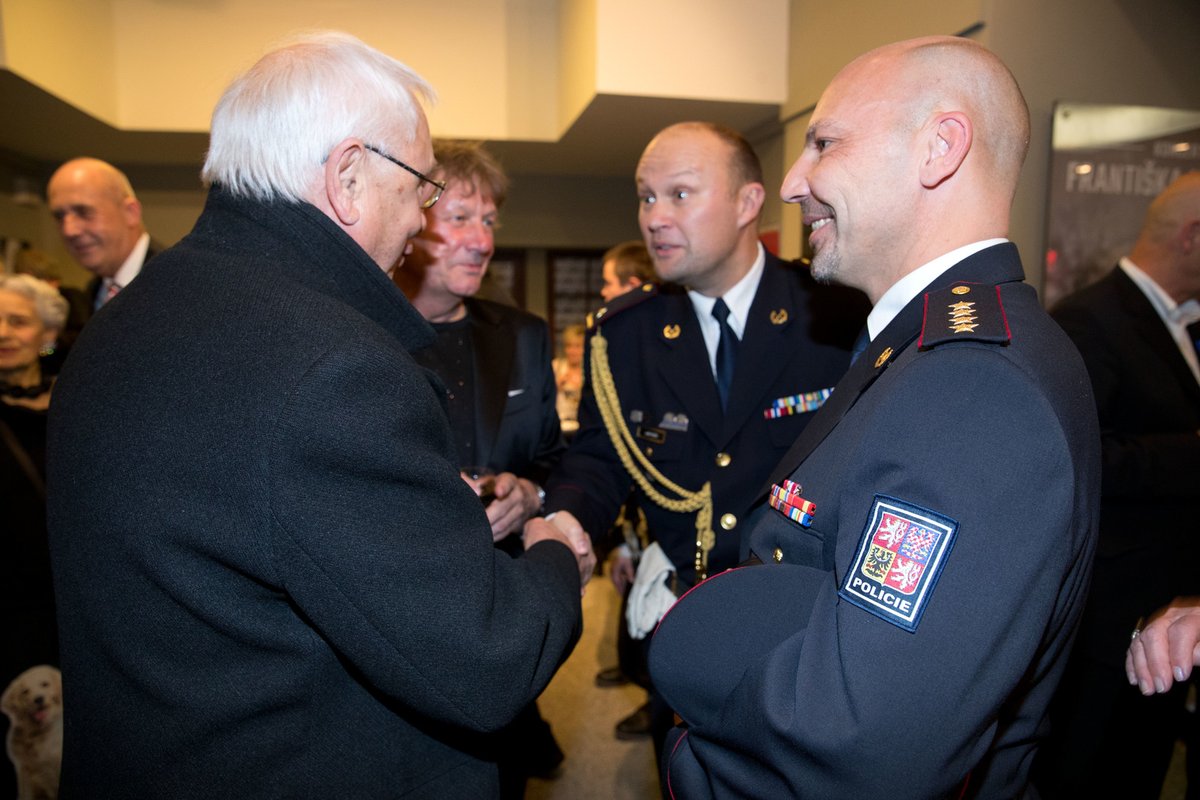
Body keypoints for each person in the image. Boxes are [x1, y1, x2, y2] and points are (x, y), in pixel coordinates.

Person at [45, 31, 593, 799]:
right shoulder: (335, 365)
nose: (422, 225)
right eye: (421, 189)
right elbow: (486, 657)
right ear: (348, 178)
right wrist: (555, 557)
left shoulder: (123, 321)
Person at [646, 36, 1102, 799]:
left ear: (939, 149)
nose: (793, 183)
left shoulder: (974, 389)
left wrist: (688, 756)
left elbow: (861, 748)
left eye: (824, 143)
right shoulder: (919, 348)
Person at [543, 120, 863, 765]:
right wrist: (564, 518)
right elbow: (601, 456)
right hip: (686, 612)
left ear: (748, 203)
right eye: (645, 196)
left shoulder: (832, 311)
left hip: (800, 618)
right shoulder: (624, 333)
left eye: (680, 194)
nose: (655, 217)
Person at [392, 139, 566, 794]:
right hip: (399, 614)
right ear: (411, 216)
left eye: (489, 222)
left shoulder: (522, 334)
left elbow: (554, 453)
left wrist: (528, 490)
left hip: (505, 608)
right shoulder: (360, 338)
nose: (481, 240)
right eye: (460, 217)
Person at [1035, 171, 1200, 799]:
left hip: (1172, 611)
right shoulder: (1089, 320)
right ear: (1192, 236)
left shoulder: (1184, 322)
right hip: (1111, 623)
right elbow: (1079, 459)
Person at [0, 274, 68, 798]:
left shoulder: (74, 393)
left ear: (45, 330)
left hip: (69, 597)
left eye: (17, 322)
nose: (2, 333)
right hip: (7, 603)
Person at [47, 157, 158, 312]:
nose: (69, 230)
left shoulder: (176, 281)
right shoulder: (93, 293)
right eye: (59, 217)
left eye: (83, 212)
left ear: (131, 213)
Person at [552, 323, 585, 435]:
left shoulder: (590, 371)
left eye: (577, 346)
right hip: (559, 427)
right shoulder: (556, 367)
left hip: (582, 428)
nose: (572, 351)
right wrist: (555, 386)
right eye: (569, 346)